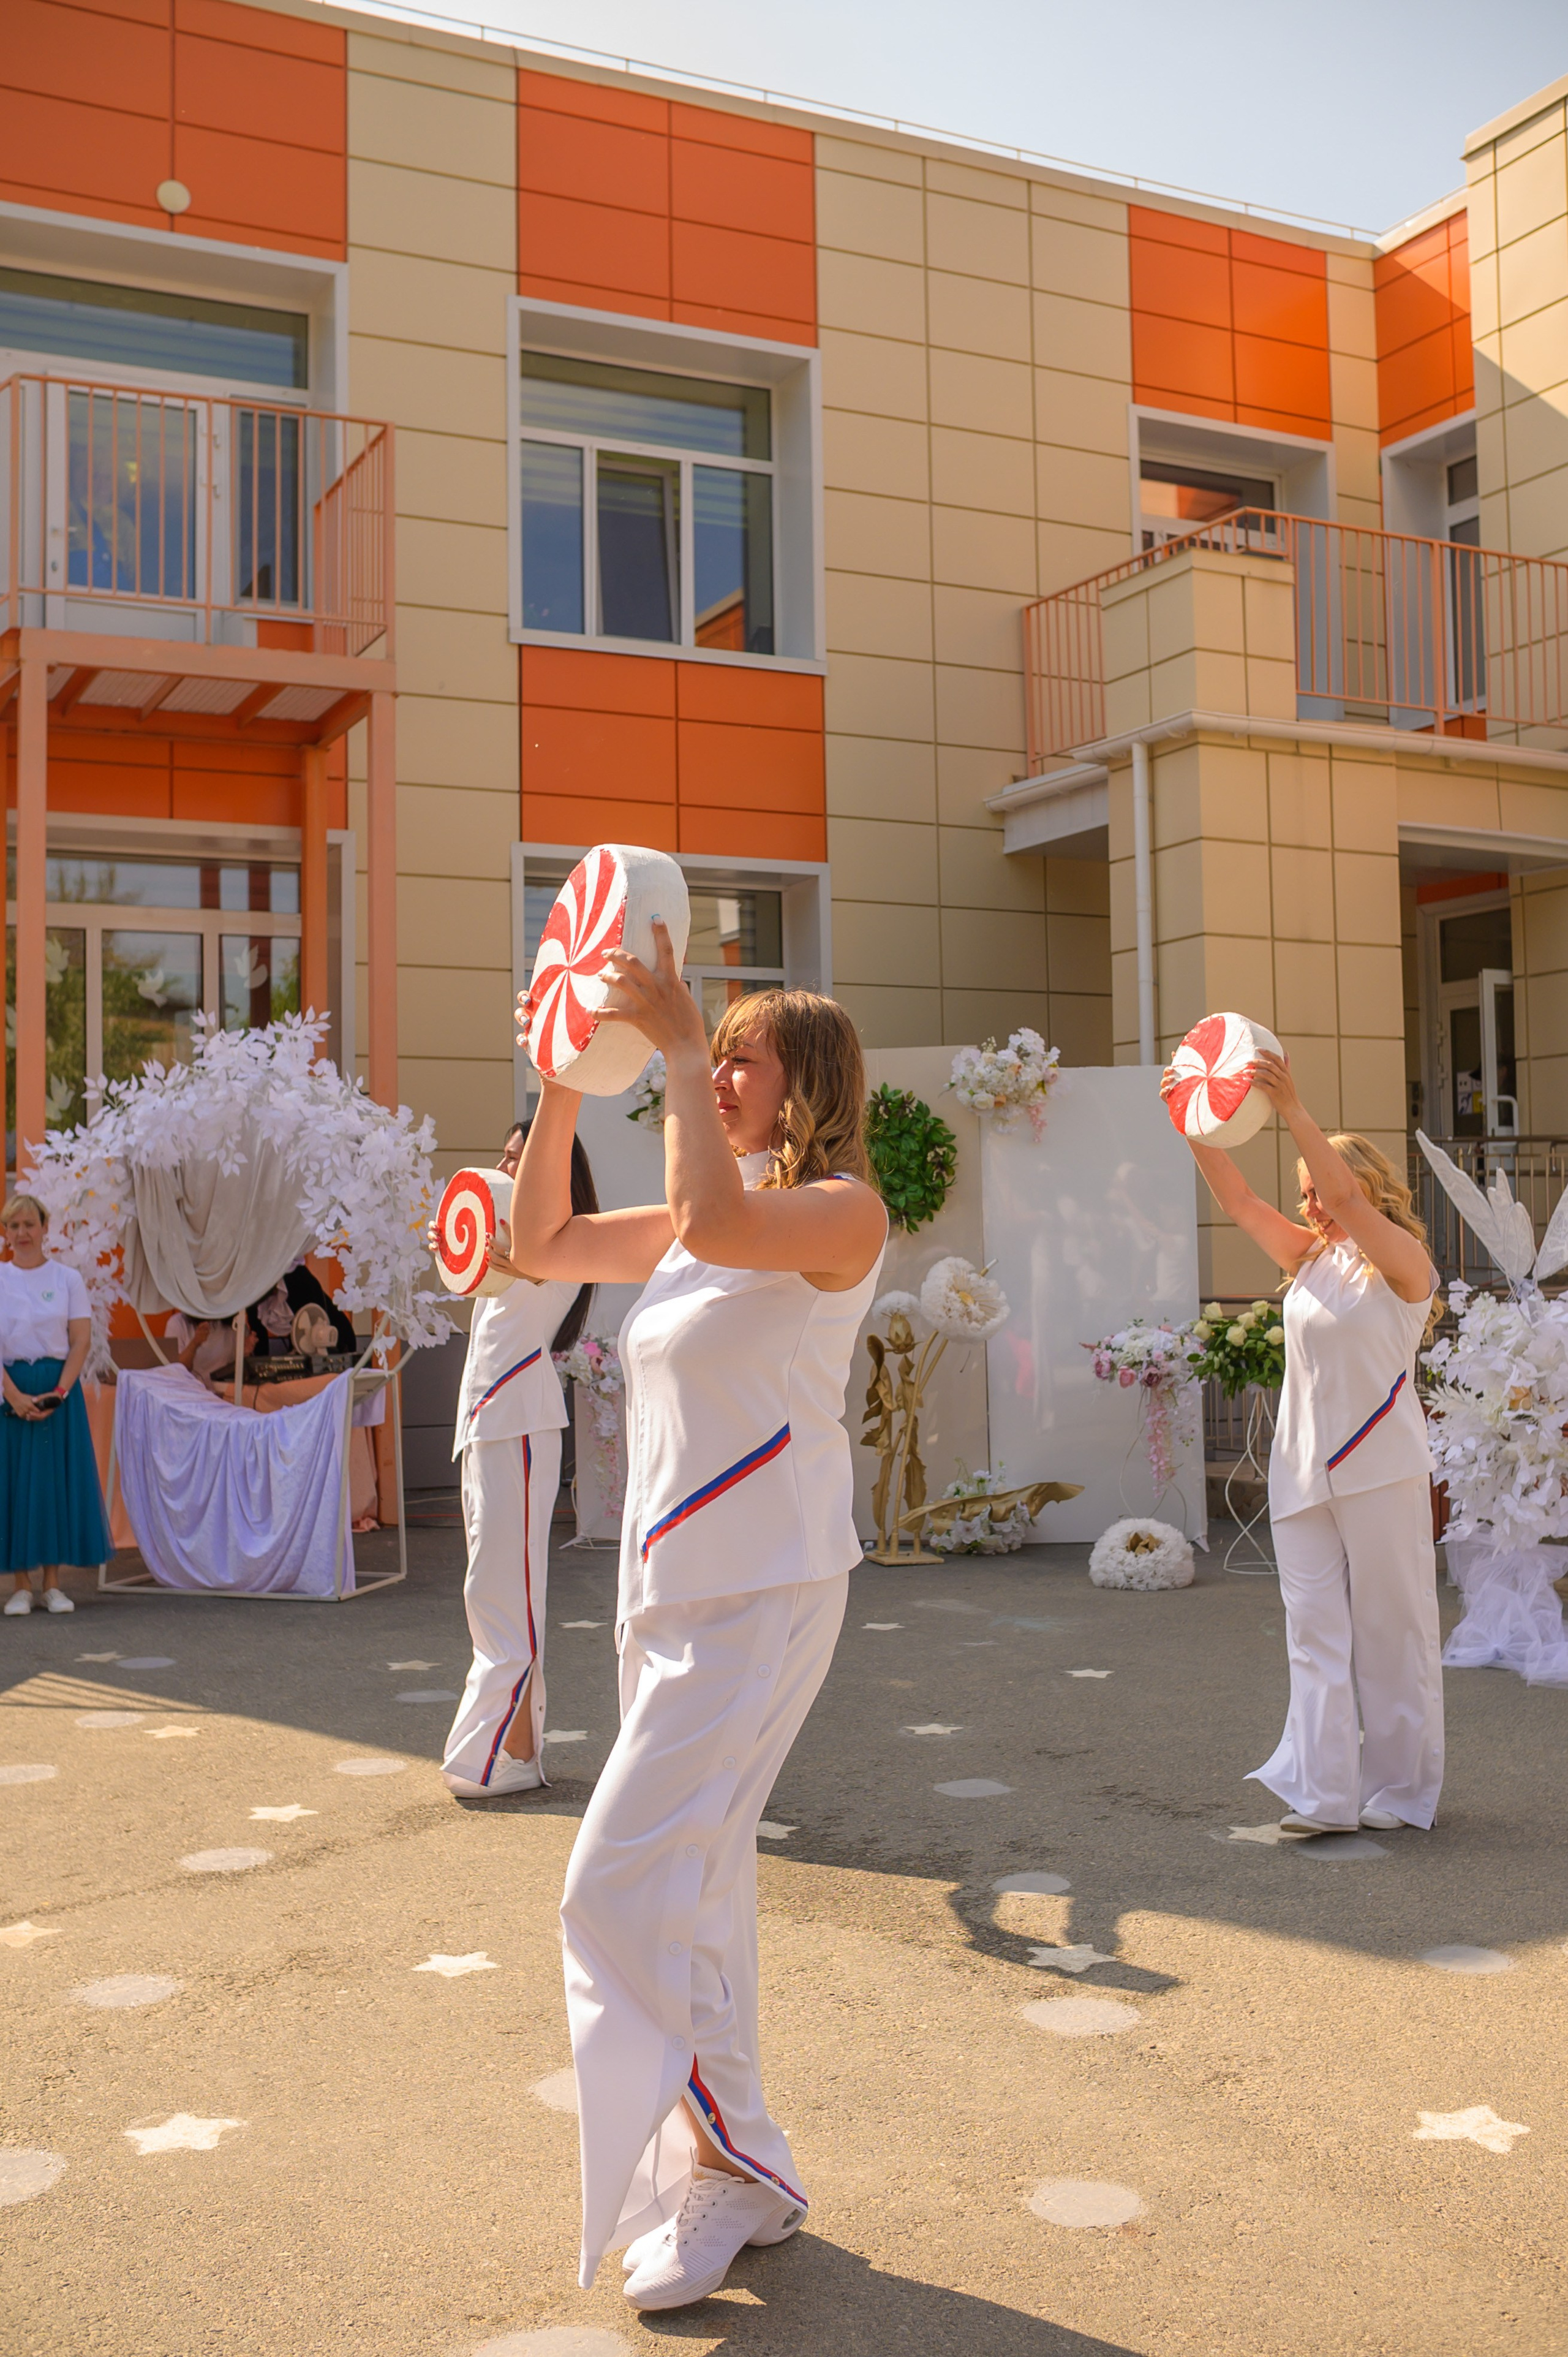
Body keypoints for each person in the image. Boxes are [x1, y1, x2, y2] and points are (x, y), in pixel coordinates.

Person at [508, 940, 887, 2313]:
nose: (717, 1071)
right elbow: (537, 1246)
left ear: (807, 1086)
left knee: (613, 1884)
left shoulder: (841, 1211)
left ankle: (722, 2167)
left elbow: (725, 1229)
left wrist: (667, 1047)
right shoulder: (689, 1210)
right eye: (709, 1051)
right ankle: (745, 2167)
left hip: (761, 1586)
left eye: (740, 1055)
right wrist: (562, 1077)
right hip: (669, 1585)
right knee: (696, 1884)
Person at [1164, 1047, 1443, 1837]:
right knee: (1312, 1630)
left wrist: (1291, 1109)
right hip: (1302, 1469)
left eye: (1317, 1190)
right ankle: (1324, 1794)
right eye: (1306, 1194)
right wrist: (1192, 1120)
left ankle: (1401, 1791)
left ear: (1359, 1186)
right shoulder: (1311, 1259)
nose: (1313, 1205)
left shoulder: (1402, 1263)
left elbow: (1351, 1197)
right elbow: (1239, 1196)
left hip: (1381, 1465)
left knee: (1394, 1630)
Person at [434, 1121, 597, 1798]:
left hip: (521, 1423)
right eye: (502, 1153)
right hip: (487, 1423)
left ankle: (500, 1749)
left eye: (518, 1157)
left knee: (509, 1594)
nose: (503, 1166)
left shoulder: (562, 1239)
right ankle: (514, 1750)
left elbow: (525, 1262)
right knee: (491, 1587)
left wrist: (484, 1246)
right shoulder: (515, 1243)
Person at [1, 1194, 110, 1616]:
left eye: (30, 1224)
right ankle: (20, 1586)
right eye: (14, 1226)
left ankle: (52, 1584)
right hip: (10, 1387)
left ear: (45, 1227)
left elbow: (81, 1339)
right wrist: (11, 1393)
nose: (23, 1233)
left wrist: (58, 1394)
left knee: (50, 1484)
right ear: (6, 1232)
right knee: (12, 1483)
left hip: (56, 1388)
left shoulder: (67, 1279)